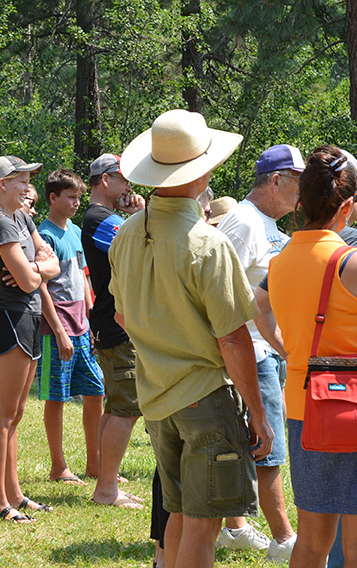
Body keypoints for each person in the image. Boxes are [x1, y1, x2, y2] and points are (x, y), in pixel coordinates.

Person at [107, 109, 274, 568]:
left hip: (156, 396)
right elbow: (233, 340)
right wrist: (258, 415)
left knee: (178, 512)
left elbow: (121, 315)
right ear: (203, 170)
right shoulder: (207, 243)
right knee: (204, 526)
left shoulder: (125, 234)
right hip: (205, 398)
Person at [267, 145, 357, 568]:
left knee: (311, 543)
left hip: (304, 411)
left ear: (302, 202)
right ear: (346, 206)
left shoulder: (279, 263)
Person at [253, 147, 357, 568]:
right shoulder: (354, 250)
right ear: (345, 204)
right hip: (355, 399)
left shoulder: (285, 255)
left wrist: (288, 347)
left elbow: (258, 305)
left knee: (310, 535)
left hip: (301, 396)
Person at [212, 144, 306, 561]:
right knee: (269, 449)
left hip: (266, 351)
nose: (304, 191)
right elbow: (217, 292)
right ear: (277, 181)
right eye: (299, 182)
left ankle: (234, 528)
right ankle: (284, 540)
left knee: (252, 443)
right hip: (250, 353)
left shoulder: (264, 224)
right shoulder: (244, 222)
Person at [0, 155, 60, 523]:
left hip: (28, 317)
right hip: (9, 319)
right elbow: (27, 283)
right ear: (2, 185)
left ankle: (14, 494)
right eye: (21, 179)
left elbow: (51, 265)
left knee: (16, 413)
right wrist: (37, 271)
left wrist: (36, 267)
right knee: (2, 414)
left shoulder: (22, 218)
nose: (28, 185)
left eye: (28, 178)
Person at [81, 153, 148, 511]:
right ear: (105, 180)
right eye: (123, 179)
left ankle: (107, 480)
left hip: (112, 322)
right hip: (117, 325)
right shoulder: (100, 219)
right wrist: (141, 217)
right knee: (127, 408)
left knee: (116, 406)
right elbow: (142, 252)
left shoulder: (106, 218)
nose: (128, 187)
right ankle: (106, 490)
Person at [35, 169, 104, 486]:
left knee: (95, 390)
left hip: (82, 326)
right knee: (57, 397)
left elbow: (84, 277)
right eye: (71, 197)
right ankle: (58, 467)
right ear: (53, 198)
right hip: (57, 330)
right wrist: (60, 332)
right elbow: (41, 288)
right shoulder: (44, 236)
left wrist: (91, 320)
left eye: (79, 197)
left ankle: (95, 463)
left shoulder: (75, 231)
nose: (77, 203)